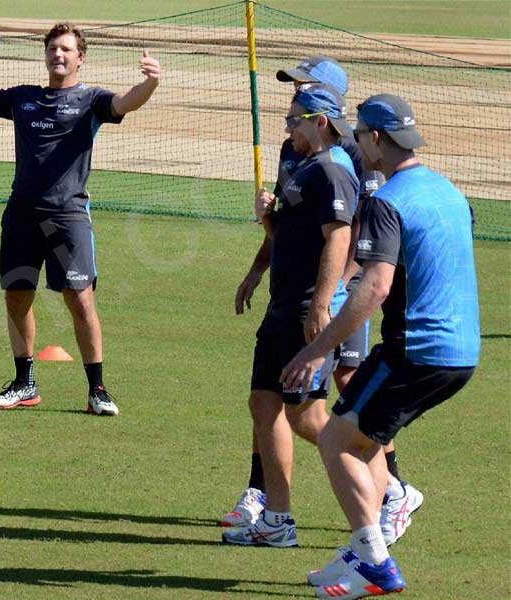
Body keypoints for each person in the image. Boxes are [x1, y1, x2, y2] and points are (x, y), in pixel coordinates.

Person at [282, 93, 479, 599]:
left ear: (375, 139)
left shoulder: (389, 200)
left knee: (334, 440)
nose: (355, 141)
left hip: (416, 349)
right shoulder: (447, 190)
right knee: (361, 437)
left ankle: (374, 561)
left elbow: (374, 287)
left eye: (360, 134)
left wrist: (315, 349)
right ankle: (362, 550)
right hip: (461, 351)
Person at [0, 22, 160, 415]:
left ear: (81, 57)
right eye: (53, 49)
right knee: (17, 297)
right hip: (21, 215)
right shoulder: (24, 99)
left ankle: (98, 390)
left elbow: (127, 102)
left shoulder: (91, 100)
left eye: (66, 49)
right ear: (46, 55)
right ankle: (24, 384)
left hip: (69, 217)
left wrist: (151, 83)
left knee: (80, 299)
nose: (58, 55)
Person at [224, 57, 423, 548]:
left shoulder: (349, 159)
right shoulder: (297, 155)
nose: (288, 111)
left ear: (324, 108)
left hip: (328, 298)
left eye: (298, 99)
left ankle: (390, 486)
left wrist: (329, 301)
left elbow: (351, 235)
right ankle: (270, 508)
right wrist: (259, 263)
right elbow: (293, 227)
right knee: (266, 401)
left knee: (327, 401)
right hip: (289, 298)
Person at [221, 83, 356, 548]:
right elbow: (288, 235)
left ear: (321, 123)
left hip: (304, 309)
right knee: (264, 404)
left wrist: (320, 306)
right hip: (282, 305)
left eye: (294, 118)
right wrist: (264, 231)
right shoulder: (302, 165)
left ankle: (381, 481)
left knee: (306, 417)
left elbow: (339, 240)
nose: (287, 126)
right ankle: (278, 521)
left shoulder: (334, 172)